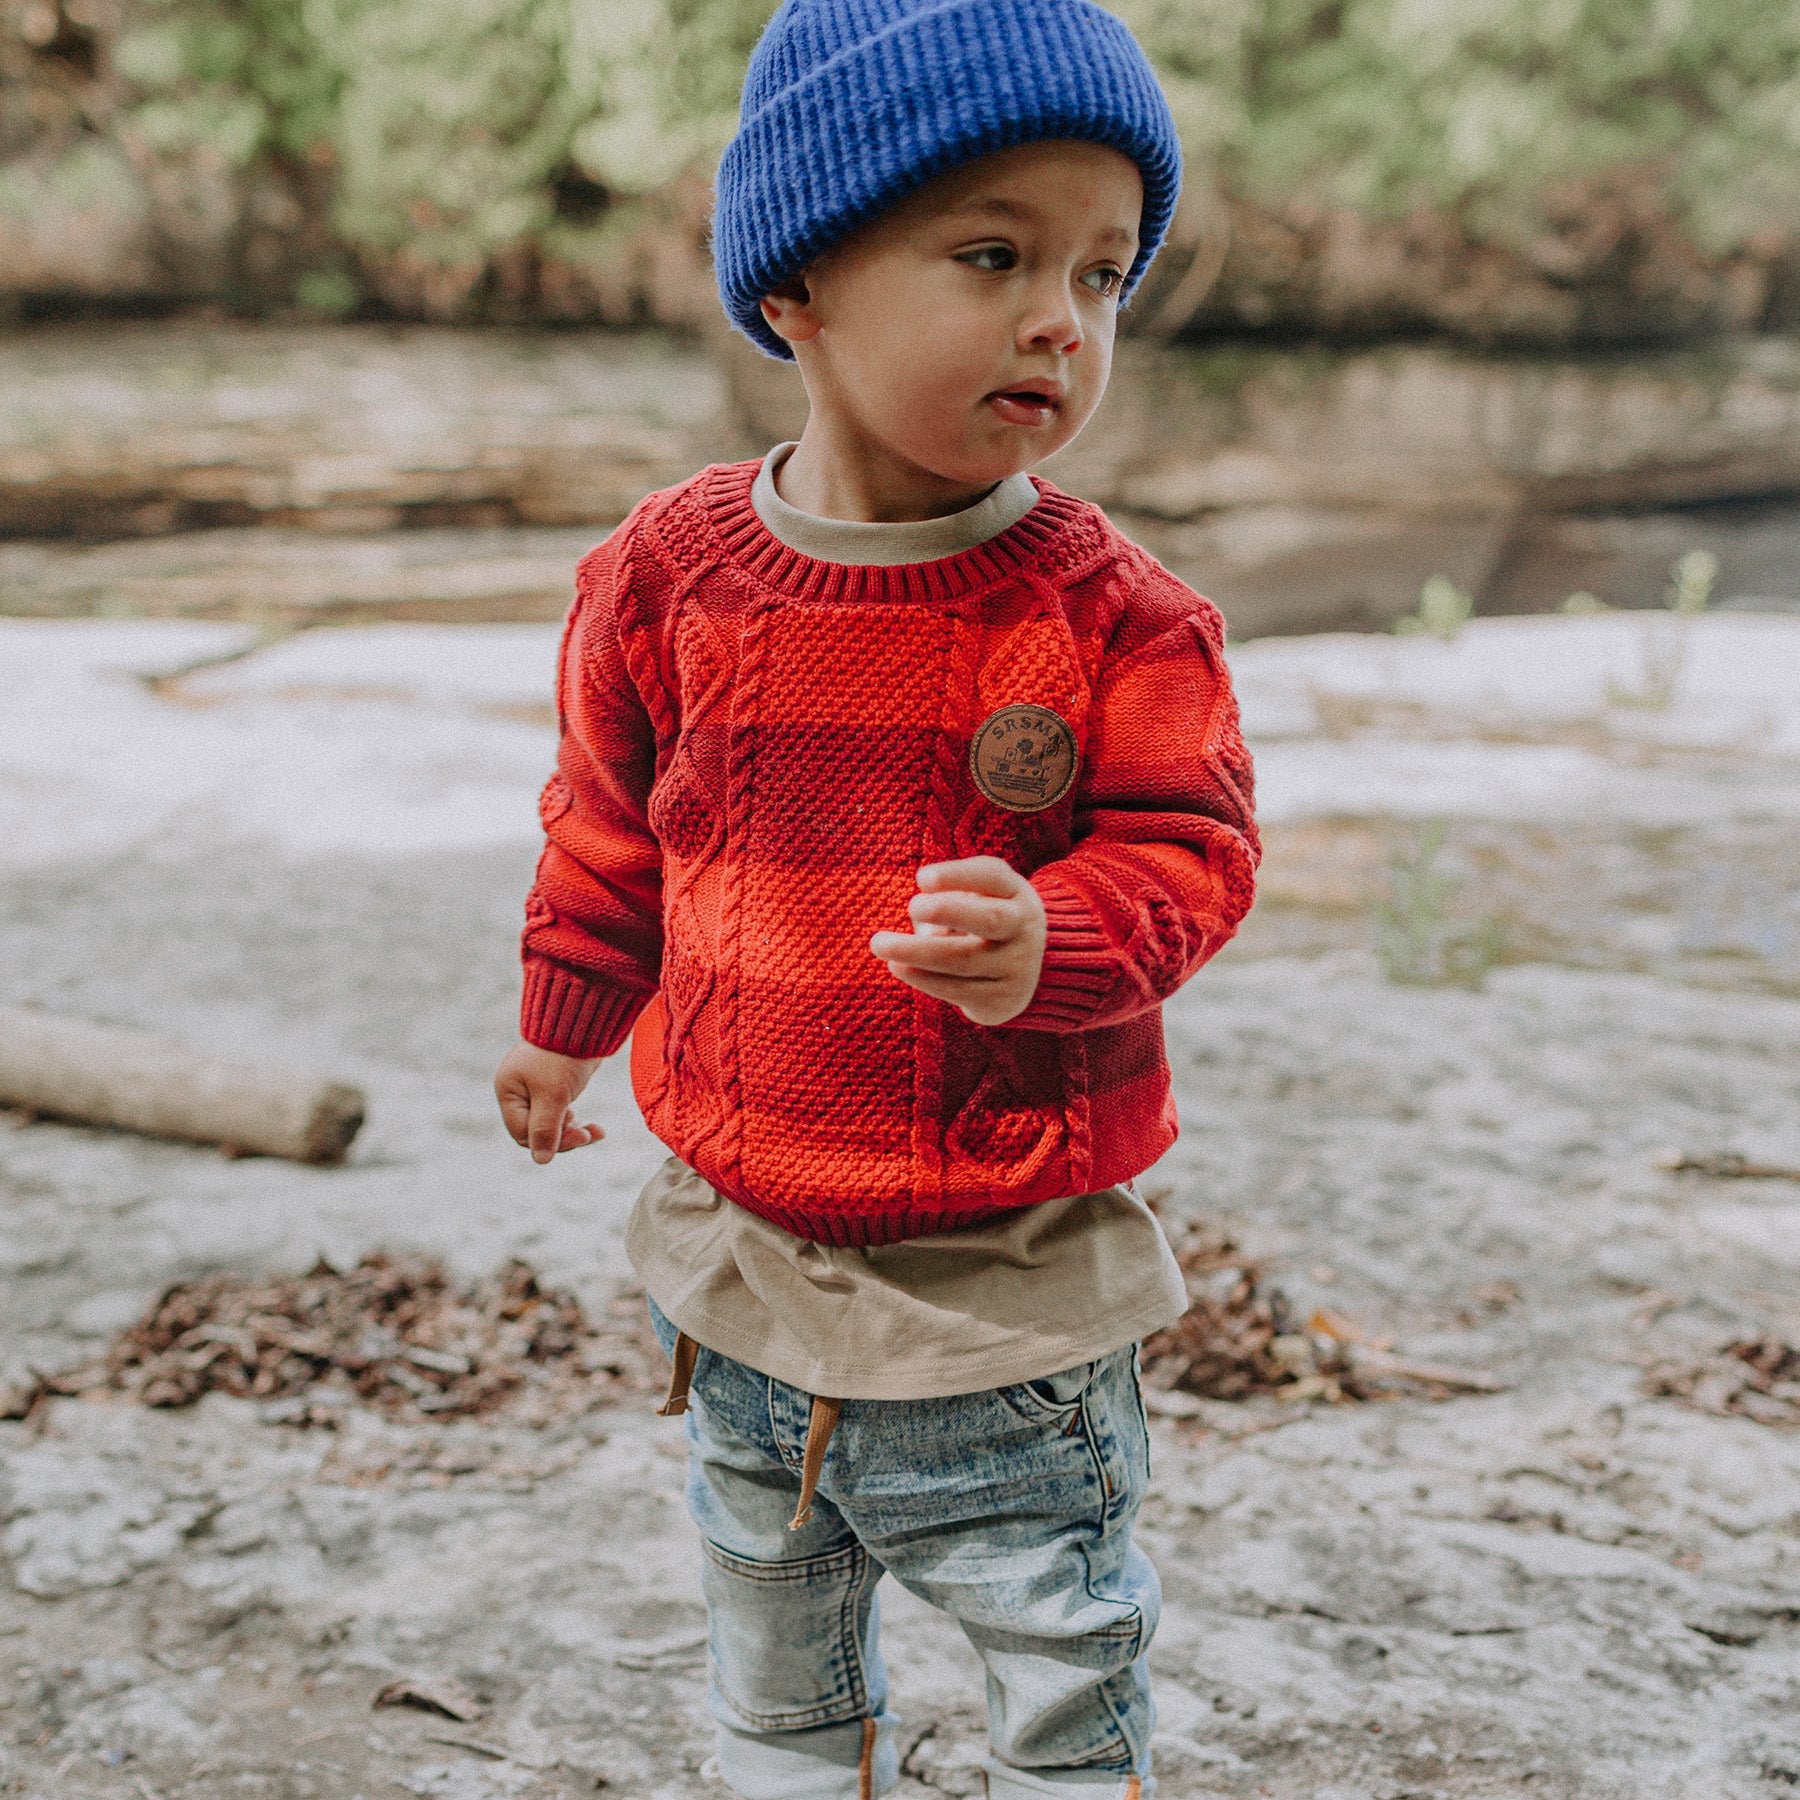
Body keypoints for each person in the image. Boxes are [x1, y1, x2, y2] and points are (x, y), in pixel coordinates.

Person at [493, 2, 1259, 1794]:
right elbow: (609, 826)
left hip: (1011, 1297)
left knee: (1059, 1640)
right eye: (994, 256)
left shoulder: (1118, 617)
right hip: (741, 1271)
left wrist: (1056, 938)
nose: (1062, 319)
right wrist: (560, 1025)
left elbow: (1196, 851)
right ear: (798, 290)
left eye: (1103, 274)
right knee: (772, 1629)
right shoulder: (665, 577)